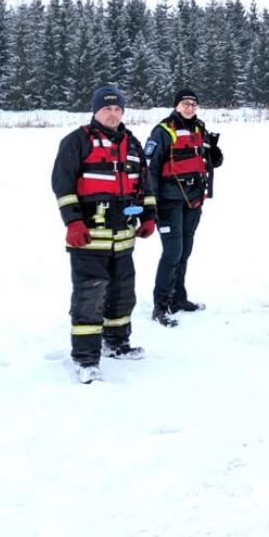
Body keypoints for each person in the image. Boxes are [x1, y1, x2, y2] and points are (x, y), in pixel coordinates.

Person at [51, 85, 156, 384]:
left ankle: (117, 343)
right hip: (89, 238)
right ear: (95, 111)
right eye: (107, 109)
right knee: (90, 296)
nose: (113, 114)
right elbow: (62, 184)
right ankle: (85, 358)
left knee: (123, 295)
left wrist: (149, 216)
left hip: (123, 238)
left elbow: (145, 186)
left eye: (117, 109)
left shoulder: (133, 144)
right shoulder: (77, 141)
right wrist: (73, 222)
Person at [144, 88, 223, 327]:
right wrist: (151, 203)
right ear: (177, 105)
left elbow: (213, 162)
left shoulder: (200, 129)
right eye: (185, 104)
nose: (189, 108)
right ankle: (160, 304)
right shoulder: (162, 131)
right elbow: (151, 169)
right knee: (172, 252)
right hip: (168, 201)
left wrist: (215, 151)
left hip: (193, 199)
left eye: (193, 104)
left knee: (185, 250)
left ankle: (179, 298)